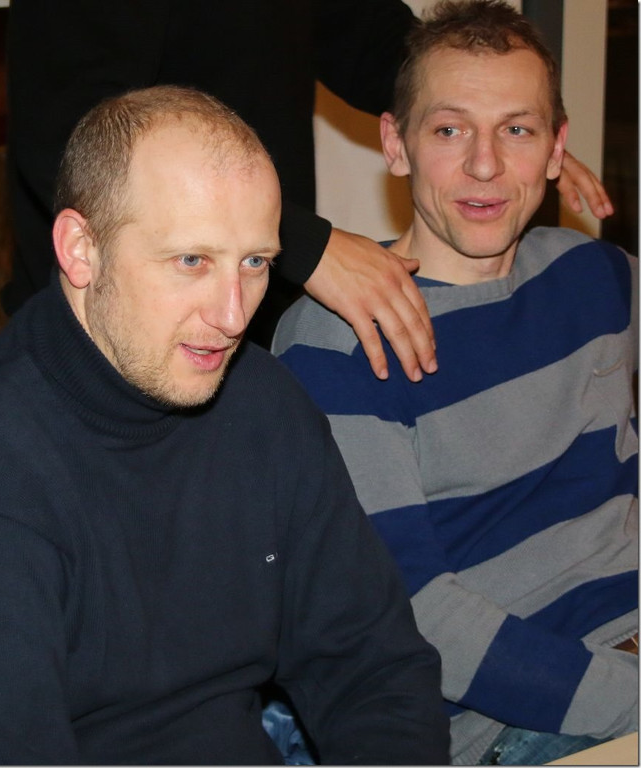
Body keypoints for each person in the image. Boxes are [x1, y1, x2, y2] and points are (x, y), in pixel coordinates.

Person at [0, 85, 449, 765]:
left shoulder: (262, 402)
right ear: (80, 249)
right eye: (192, 260)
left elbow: (373, 668)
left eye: (255, 263)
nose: (233, 315)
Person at [272, 1, 638, 764]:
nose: (485, 165)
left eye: (517, 130)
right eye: (449, 130)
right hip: (522, 721)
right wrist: (628, 695)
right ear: (395, 144)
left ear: (556, 149)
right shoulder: (341, 337)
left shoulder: (594, 276)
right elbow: (418, 617)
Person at [5, 0, 612, 384]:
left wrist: (503, 128)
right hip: (104, 342)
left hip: (249, 315)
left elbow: (371, 40)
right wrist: (300, 244)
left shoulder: (600, 278)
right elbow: (70, 133)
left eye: (521, 132)